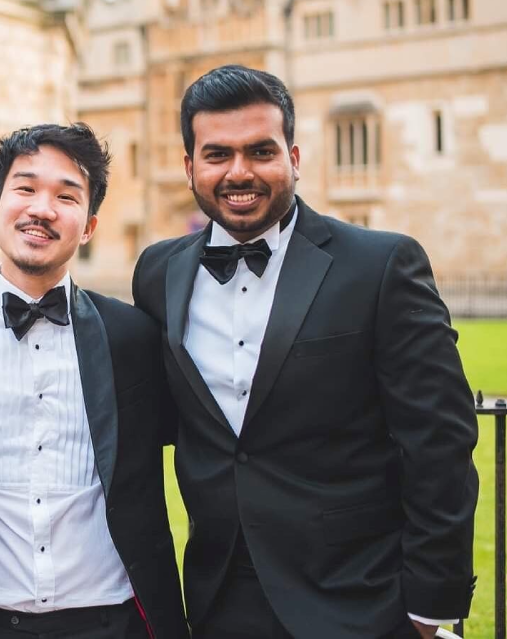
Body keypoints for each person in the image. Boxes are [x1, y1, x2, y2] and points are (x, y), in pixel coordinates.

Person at [132, 64, 479, 639]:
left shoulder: (381, 265)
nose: (239, 172)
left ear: (293, 158)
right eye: (217, 154)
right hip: (219, 598)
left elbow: (439, 440)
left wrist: (430, 607)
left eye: (260, 151)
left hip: (360, 597)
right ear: (189, 166)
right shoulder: (158, 272)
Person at [0, 123, 187, 639]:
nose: (42, 209)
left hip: (111, 620)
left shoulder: (137, 337)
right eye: (26, 188)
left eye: (66, 196)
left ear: (90, 225)